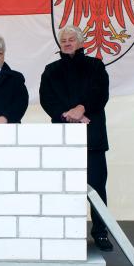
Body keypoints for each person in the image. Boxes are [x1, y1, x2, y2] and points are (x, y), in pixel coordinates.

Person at [39, 25, 113, 251]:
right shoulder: (51, 70)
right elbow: (46, 99)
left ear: (81, 43)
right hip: (64, 138)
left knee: (97, 188)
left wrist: (82, 108)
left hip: (93, 139)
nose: (67, 42)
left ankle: (100, 232)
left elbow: (101, 94)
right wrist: (68, 115)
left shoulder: (96, 66)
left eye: (72, 39)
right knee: (66, 189)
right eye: (64, 40)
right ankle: (70, 232)